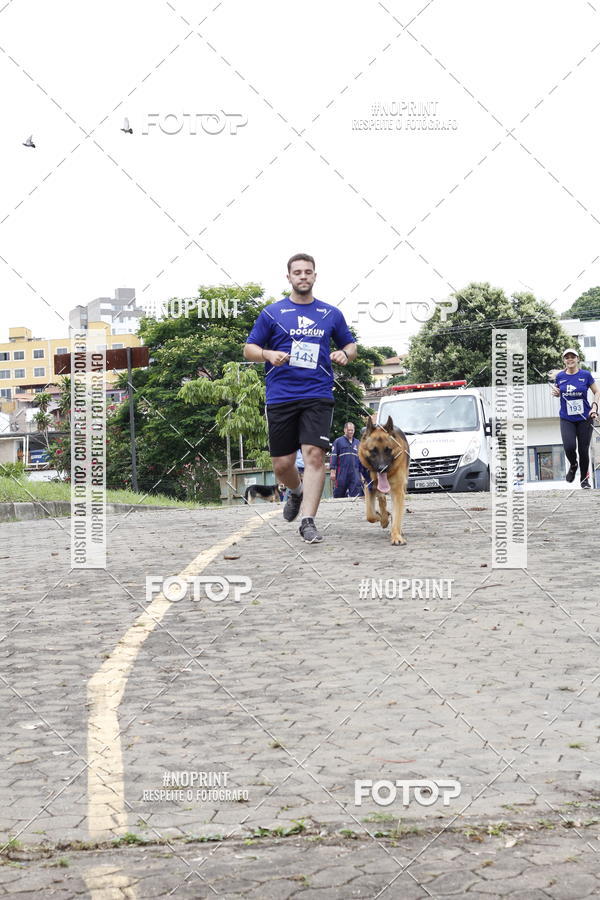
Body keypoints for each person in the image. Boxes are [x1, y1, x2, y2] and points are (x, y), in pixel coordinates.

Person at [244, 253, 357, 542]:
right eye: (298, 272)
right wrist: (268, 354)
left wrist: (344, 353)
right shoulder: (272, 313)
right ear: (289, 277)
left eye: (308, 272)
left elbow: (350, 344)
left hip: (317, 393)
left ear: (315, 276)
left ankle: (308, 521)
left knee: (315, 456)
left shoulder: (330, 313)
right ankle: (296, 492)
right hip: (281, 395)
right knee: (282, 464)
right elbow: (249, 349)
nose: (303, 276)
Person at [551, 348, 600, 489]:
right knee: (569, 446)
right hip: (567, 418)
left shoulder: (585, 375)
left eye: (573, 357)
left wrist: (594, 407)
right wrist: (556, 393)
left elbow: (597, 391)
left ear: (577, 359)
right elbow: (557, 391)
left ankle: (584, 480)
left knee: (583, 450)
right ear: (564, 360)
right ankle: (573, 465)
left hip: (585, 417)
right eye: (567, 357)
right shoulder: (560, 376)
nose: (570, 359)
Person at [329, 422, 364, 497]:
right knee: (339, 494)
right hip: (342, 473)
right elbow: (334, 456)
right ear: (344, 430)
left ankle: (355, 508)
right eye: (349, 430)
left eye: (352, 430)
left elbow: (361, 460)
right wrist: (332, 471)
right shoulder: (338, 441)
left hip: (355, 473)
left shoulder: (358, 443)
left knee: (357, 494)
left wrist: (362, 473)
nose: (350, 432)